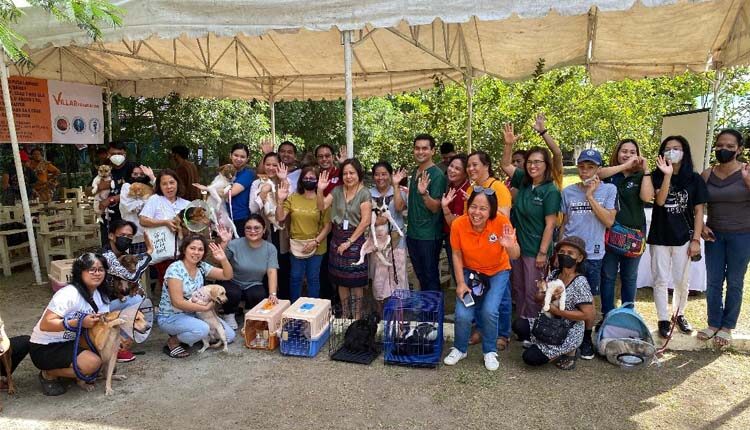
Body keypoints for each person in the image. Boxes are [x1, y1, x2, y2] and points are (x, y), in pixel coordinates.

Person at [443, 189, 520, 371]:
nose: (477, 212)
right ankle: (460, 348)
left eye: (483, 208)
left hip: (497, 271)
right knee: (463, 314)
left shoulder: (501, 221)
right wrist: (460, 283)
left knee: (489, 310)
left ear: (491, 210)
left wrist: (510, 246)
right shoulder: (459, 224)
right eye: (473, 207)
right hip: (470, 272)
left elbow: (515, 255)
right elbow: (456, 254)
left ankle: (490, 351)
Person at [559, 149, 617, 359]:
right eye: (582, 167)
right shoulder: (568, 192)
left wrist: (590, 196)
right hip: (569, 253)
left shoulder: (609, 190)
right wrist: (557, 252)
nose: (585, 171)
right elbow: (564, 223)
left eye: (590, 167)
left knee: (588, 299)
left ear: (598, 169)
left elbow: (608, 221)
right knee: (564, 296)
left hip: (592, 254)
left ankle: (586, 338)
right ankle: (564, 333)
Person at [648, 135, 708, 338]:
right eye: (668, 148)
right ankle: (663, 318)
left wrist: (696, 239)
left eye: (677, 148)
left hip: (684, 236)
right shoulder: (656, 176)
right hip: (660, 235)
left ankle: (679, 314)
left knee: (682, 280)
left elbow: (699, 211)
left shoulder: (694, 178)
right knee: (660, 279)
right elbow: (660, 201)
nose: (672, 151)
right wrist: (667, 175)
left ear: (685, 152)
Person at [29, 253, 113, 395]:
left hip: (72, 341)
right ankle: (48, 373)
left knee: (105, 361)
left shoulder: (101, 295)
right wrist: (79, 322)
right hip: (46, 346)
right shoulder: (68, 294)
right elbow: (46, 324)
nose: (97, 273)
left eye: (101, 269)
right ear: (80, 272)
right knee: (93, 364)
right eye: (92, 270)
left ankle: (73, 371)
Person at [501, 124, 561, 320]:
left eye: (537, 162)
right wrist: (508, 144)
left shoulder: (550, 190)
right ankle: (522, 324)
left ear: (546, 165)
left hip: (535, 250)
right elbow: (506, 165)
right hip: (517, 246)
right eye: (529, 162)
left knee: (533, 291)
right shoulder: (524, 181)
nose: (532, 166)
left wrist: (542, 252)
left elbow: (550, 224)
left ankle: (535, 326)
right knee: (518, 287)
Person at [698, 129, 750, 347]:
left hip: (742, 236)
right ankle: (713, 323)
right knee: (713, 281)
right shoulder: (707, 174)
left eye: (730, 146)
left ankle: (727, 326)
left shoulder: (747, 171)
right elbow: (697, 205)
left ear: (739, 149)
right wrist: (701, 226)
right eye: (720, 145)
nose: (724, 149)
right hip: (714, 236)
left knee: (735, 282)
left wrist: (747, 181)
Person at [512, 236, 594, 371]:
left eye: (570, 253)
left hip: (568, 330)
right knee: (519, 325)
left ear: (579, 258)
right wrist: (544, 295)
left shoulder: (580, 282)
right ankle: (542, 344)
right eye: (562, 252)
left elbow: (587, 314)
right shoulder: (555, 274)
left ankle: (570, 352)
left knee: (530, 358)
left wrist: (557, 311)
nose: (564, 255)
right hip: (548, 322)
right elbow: (538, 298)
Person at [598, 139, 654, 317]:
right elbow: (598, 174)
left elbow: (646, 197)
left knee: (629, 276)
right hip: (610, 232)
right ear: (617, 152)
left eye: (632, 152)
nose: (628, 155)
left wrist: (646, 170)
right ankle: (608, 314)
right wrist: (624, 166)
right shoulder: (611, 173)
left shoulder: (642, 175)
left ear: (638, 154)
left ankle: (628, 314)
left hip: (634, 234)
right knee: (608, 275)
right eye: (624, 151)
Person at [157, 235, 235, 358]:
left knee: (229, 336)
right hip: (171, 316)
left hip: (195, 314)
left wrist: (223, 259)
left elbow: (227, 275)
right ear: (184, 249)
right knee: (203, 329)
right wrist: (205, 308)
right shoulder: (175, 269)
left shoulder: (201, 266)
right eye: (192, 248)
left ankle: (192, 334)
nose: (196, 252)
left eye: (200, 249)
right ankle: (173, 341)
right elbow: (178, 302)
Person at [317, 158, 372, 311]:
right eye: (345, 173)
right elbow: (321, 206)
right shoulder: (337, 191)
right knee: (341, 280)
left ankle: (357, 316)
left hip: (355, 239)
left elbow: (365, 221)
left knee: (356, 282)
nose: (348, 176)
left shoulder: (364, 193)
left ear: (358, 174)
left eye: (352, 173)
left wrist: (349, 242)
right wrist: (320, 190)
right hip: (337, 237)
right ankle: (346, 314)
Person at [275, 167, 332, 302]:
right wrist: (280, 201)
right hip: (297, 244)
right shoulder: (293, 198)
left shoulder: (323, 200)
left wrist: (315, 242)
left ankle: (314, 309)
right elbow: (280, 217)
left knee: (313, 278)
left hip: (317, 245)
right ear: (301, 180)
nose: (308, 180)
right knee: (295, 277)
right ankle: (294, 307)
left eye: (312, 178)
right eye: (306, 178)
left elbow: (328, 226)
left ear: (317, 181)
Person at [101, 219, 153, 362]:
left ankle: (122, 341)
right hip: (100, 308)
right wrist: (149, 252)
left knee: (138, 298)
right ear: (111, 236)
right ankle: (117, 347)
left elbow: (135, 282)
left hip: (114, 302)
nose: (126, 239)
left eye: (130, 237)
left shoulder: (124, 254)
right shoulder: (106, 255)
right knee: (134, 300)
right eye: (123, 235)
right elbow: (131, 276)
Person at [219, 215, 280, 328]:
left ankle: (249, 311)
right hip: (233, 281)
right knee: (232, 292)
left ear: (264, 229)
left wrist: (273, 294)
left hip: (254, 283)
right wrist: (224, 242)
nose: (252, 231)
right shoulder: (234, 244)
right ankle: (229, 314)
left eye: (257, 228)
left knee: (258, 294)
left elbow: (272, 271)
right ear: (244, 229)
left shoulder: (270, 248)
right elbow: (220, 260)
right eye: (248, 228)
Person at [139, 169, 190, 303]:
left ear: (177, 183)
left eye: (172, 183)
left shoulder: (186, 204)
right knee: (170, 276)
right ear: (159, 186)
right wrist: (165, 222)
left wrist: (181, 228)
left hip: (183, 250)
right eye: (164, 184)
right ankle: (173, 302)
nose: (169, 187)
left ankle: (180, 301)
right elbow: (143, 220)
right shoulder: (155, 199)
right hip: (162, 250)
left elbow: (191, 229)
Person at [406, 134, 447, 292]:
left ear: (433, 151)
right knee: (421, 276)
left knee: (430, 278)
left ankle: (434, 308)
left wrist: (424, 194)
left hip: (429, 236)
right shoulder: (416, 171)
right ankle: (426, 307)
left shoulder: (437, 175)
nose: (420, 152)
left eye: (425, 148)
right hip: (413, 233)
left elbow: (436, 207)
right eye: (417, 148)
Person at [249, 152, 292, 300]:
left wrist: (283, 179)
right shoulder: (257, 183)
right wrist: (263, 192)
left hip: (282, 230)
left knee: (283, 266)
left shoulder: (285, 182)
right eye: (268, 164)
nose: (271, 168)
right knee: (265, 266)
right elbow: (253, 209)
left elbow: (291, 203)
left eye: (275, 165)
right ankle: (267, 300)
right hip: (264, 230)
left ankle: (285, 300)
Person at [369, 162, 409, 307]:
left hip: (397, 242)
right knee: (379, 280)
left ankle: (398, 315)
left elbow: (399, 208)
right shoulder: (368, 193)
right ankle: (382, 314)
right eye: (377, 174)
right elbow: (364, 218)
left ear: (390, 175)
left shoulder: (399, 190)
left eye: (384, 174)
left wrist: (396, 185)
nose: (380, 178)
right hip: (378, 243)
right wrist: (377, 221)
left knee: (398, 278)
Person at [94, 141, 137, 246]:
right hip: (107, 217)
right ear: (108, 155)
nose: (116, 156)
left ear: (125, 154)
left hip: (127, 216)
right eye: (113, 154)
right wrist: (98, 187)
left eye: (119, 153)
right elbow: (88, 190)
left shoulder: (133, 168)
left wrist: (111, 199)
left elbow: (138, 191)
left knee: (126, 246)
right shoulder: (104, 168)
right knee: (108, 245)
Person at [119, 165, 156, 254]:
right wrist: (147, 200)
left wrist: (152, 177)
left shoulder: (150, 188)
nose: (138, 177)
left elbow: (162, 192)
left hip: (151, 236)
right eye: (135, 174)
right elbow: (129, 206)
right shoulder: (126, 187)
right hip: (135, 237)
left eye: (142, 175)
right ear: (130, 175)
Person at [466, 151, 512, 217]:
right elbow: (466, 217)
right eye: (468, 166)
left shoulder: (498, 187)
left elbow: (505, 216)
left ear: (486, 166)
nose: (470, 169)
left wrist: (477, 202)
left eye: (475, 165)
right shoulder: (470, 190)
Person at [226, 143, 257, 235]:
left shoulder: (248, 174)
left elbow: (230, 193)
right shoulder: (225, 172)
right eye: (236, 155)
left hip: (240, 218)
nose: (238, 159)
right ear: (230, 155)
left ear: (247, 159)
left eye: (242, 157)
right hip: (224, 217)